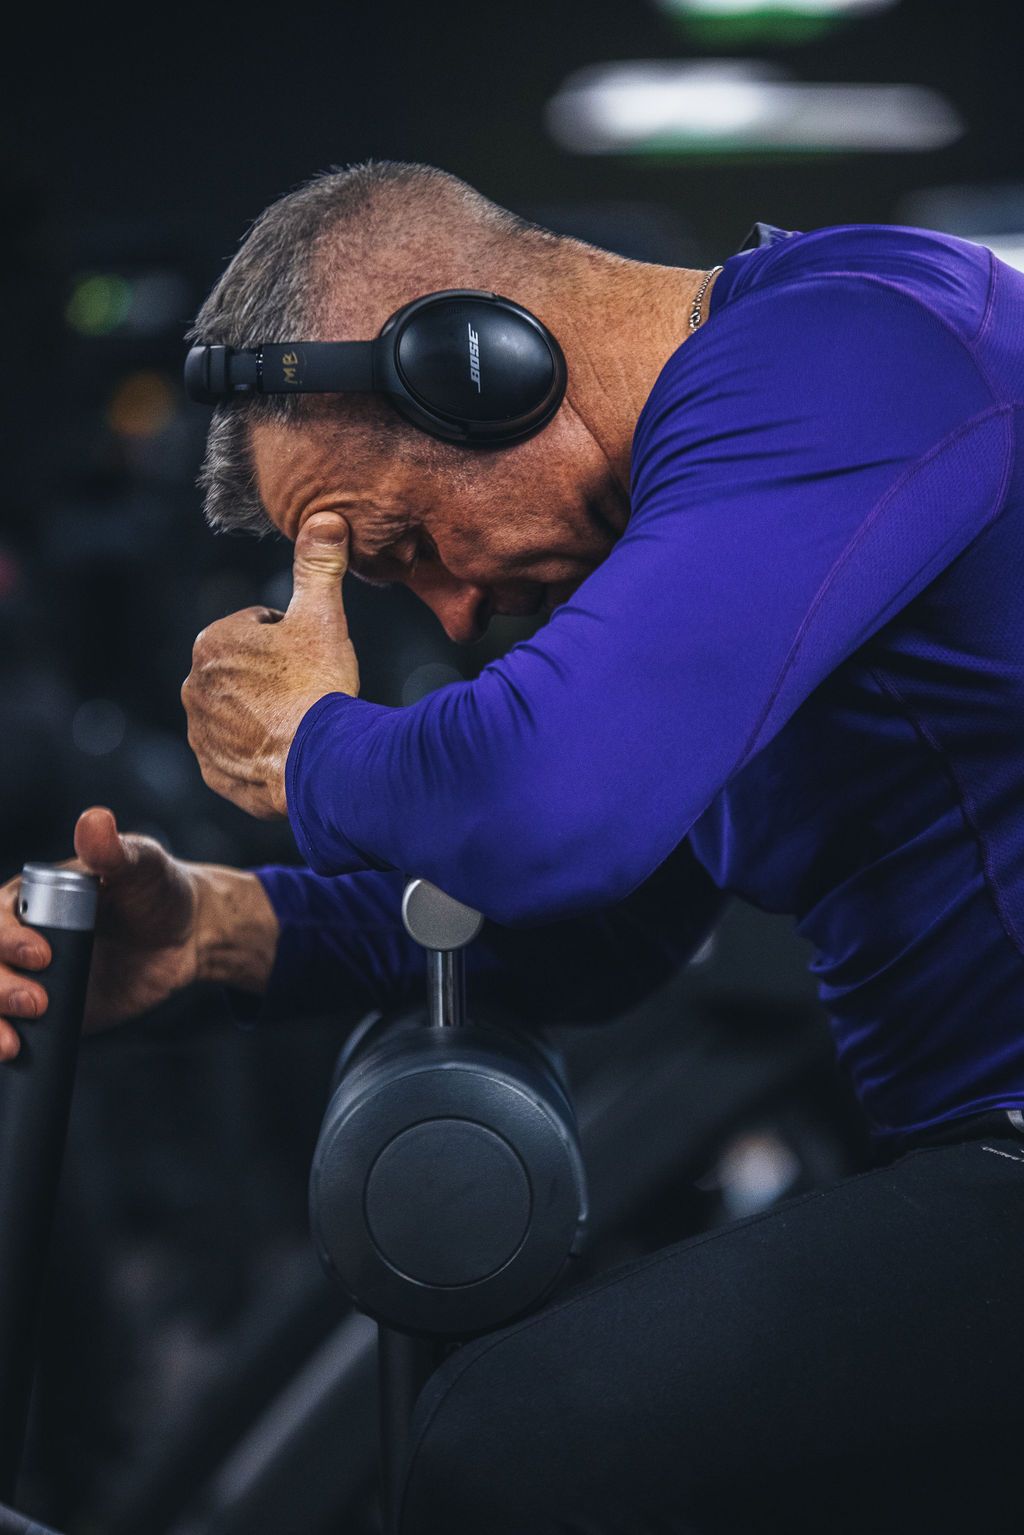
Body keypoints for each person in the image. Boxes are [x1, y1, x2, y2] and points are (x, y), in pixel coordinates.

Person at [4, 159, 1024, 1530]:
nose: (458, 607)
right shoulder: (719, 509)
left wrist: (307, 741)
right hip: (963, 1156)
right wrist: (227, 932)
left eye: (410, 541)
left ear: (477, 361)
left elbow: (543, 814)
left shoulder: (857, 343)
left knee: (518, 1442)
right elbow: (606, 929)